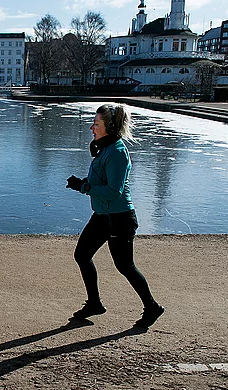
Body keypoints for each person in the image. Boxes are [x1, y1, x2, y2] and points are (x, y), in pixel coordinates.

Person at [66, 104, 165, 329]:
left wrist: (83, 187)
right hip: (102, 216)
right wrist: (82, 184)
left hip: (120, 219)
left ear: (109, 127)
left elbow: (114, 191)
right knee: (82, 255)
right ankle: (94, 303)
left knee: (125, 265)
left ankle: (152, 307)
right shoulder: (105, 148)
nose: (92, 127)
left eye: (96, 124)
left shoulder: (117, 152)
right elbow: (101, 182)